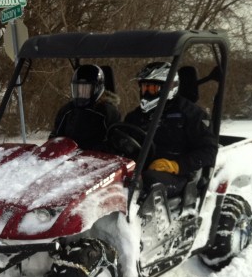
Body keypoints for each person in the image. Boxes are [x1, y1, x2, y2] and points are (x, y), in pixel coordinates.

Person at [123, 62, 218, 198]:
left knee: (147, 182)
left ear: (169, 88)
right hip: (140, 169)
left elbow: (209, 151)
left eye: (152, 88)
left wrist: (175, 166)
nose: (146, 93)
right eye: (144, 88)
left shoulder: (190, 114)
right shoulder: (135, 116)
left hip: (179, 174)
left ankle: (136, 218)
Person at [49, 64, 121, 152]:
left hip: (97, 160)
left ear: (97, 89)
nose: (81, 92)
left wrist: (94, 150)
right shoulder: (67, 110)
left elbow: (115, 143)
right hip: (67, 159)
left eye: (86, 88)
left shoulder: (107, 112)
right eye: (78, 88)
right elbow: (55, 136)